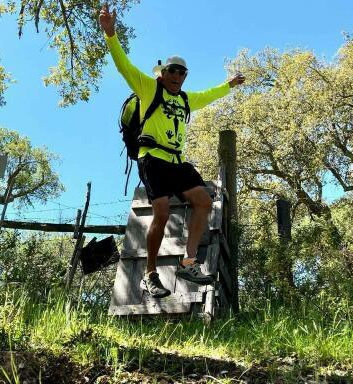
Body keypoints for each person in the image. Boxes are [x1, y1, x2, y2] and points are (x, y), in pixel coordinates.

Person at [99, 4, 245, 298]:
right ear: (163, 73)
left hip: (177, 162)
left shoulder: (187, 100)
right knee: (162, 213)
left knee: (204, 201)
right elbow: (123, 66)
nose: (177, 75)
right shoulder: (148, 89)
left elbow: (210, 95)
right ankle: (150, 274)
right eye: (172, 71)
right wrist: (111, 35)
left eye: (182, 72)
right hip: (152, 159)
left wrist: (229, 86)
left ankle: (188, 262)